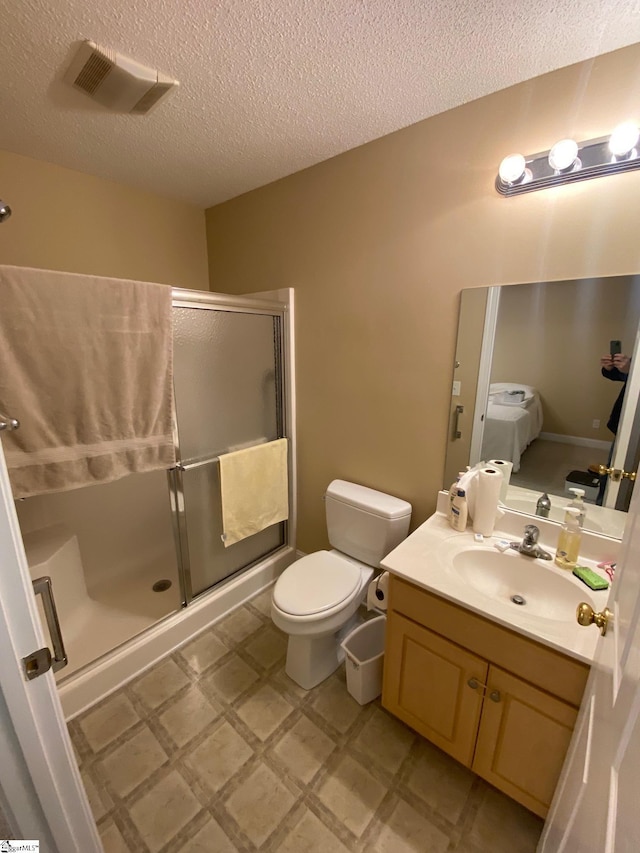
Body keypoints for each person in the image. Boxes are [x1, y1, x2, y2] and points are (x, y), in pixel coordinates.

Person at [597, 352, 631, 503]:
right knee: (611, 471)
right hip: (624, 425)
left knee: (617, 474)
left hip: (633, 426)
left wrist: (631, 371)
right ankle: (601, 505)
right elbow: (622, 377)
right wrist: (610, 369)